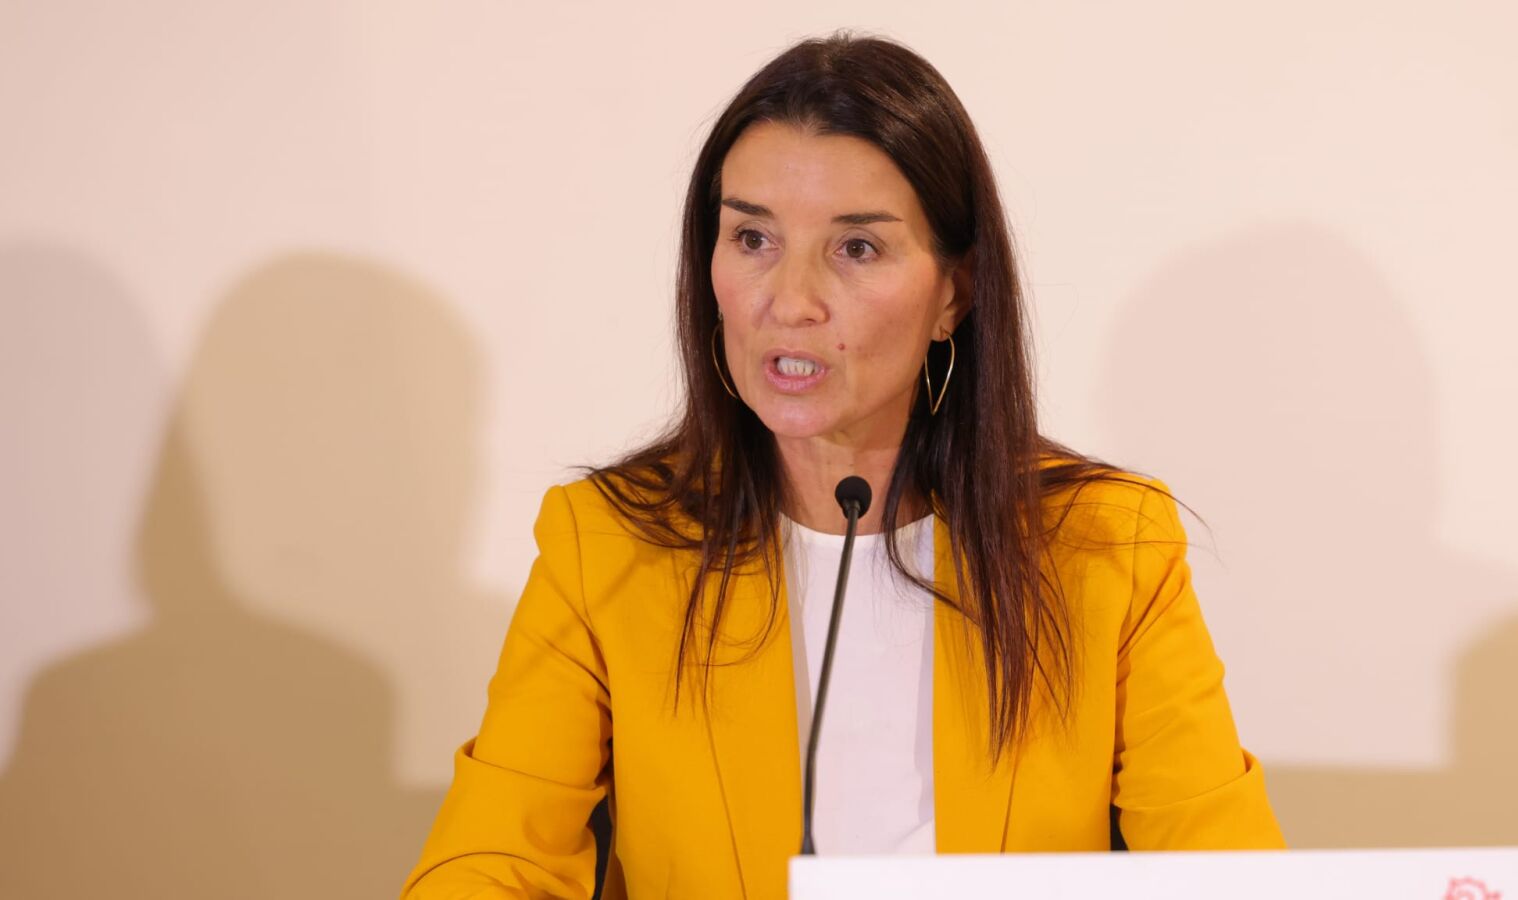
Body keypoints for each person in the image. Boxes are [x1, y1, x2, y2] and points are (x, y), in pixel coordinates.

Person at [400, 29, 1284, 900]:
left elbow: (1224, 877)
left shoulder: (1107, 548)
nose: (790, 302)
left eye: (856, 248)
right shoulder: (606, 547)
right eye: (753, 239)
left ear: (955, 293)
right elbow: (490, 864)